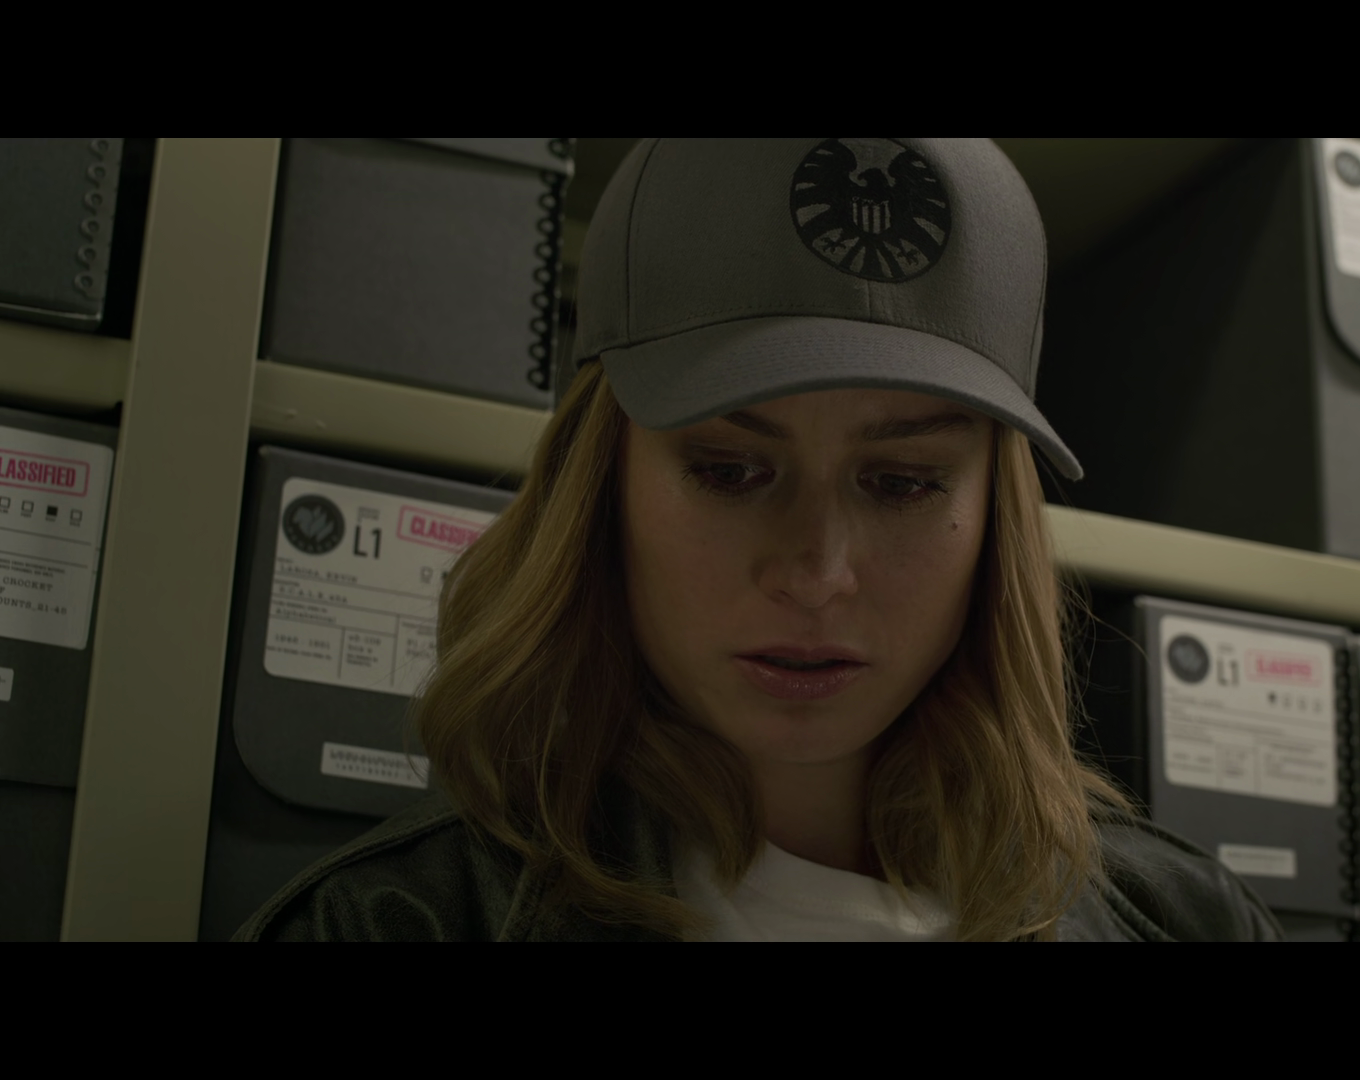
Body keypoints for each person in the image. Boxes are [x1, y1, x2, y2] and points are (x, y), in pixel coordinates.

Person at [238, 138, 1283, 941]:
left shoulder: (1191, 922)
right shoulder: (391, 923)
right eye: (731, 471)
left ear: (994, 522)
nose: (818, 574)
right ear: (599, 490)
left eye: (903, 482)